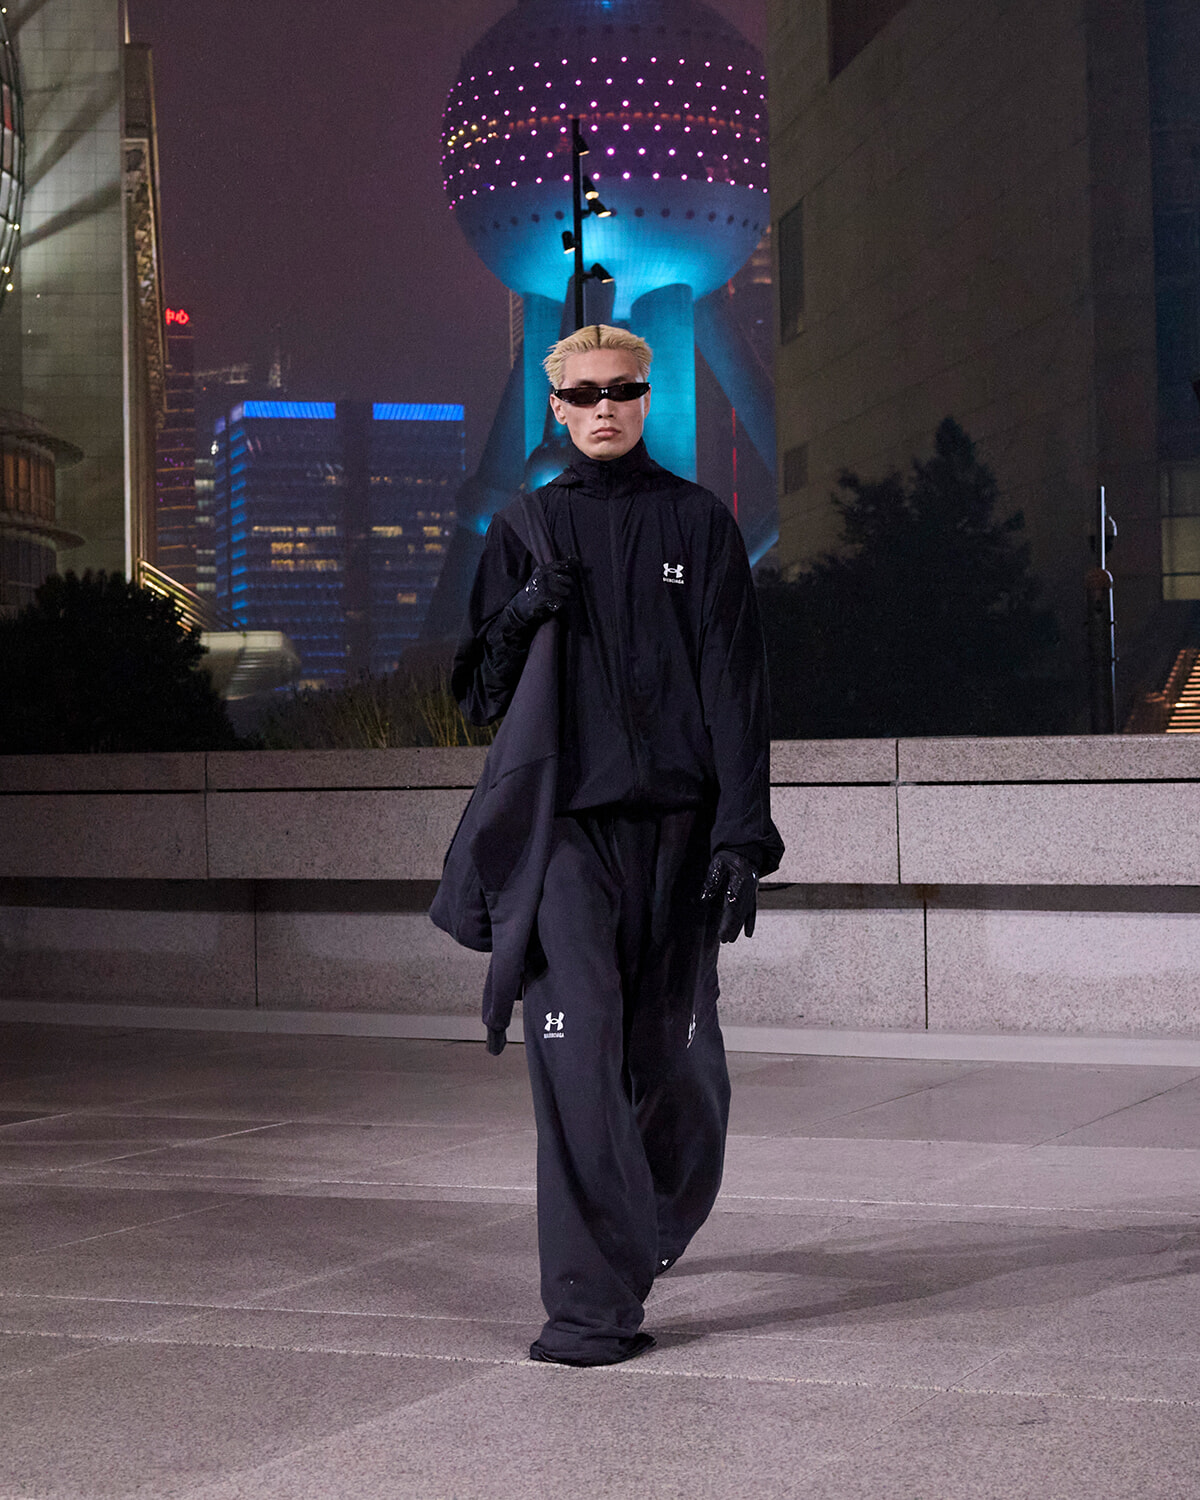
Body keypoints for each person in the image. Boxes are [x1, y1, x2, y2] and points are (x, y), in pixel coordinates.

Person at [449, 323, 783, 1367]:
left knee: (680, 1074)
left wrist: (743, 838)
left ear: (647, 399)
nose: (602, 406)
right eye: (583, 393)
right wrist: (522, 615)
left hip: (681, 836)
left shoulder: (702, 524)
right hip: (566, 841)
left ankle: (648, 1225)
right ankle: (590, 1307)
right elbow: (476, 697)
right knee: (578, 1049)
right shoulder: (526, 530)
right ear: (554, 408)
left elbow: (737, 690)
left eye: (621, 390)